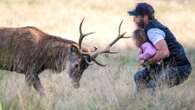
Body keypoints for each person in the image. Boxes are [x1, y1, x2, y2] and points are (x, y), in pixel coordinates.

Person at [128, 3, 192, 92]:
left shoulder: (152, 31)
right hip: (167, 66)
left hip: (179, 68)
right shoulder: (150, 27)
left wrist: (147, 62)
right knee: (139, 77)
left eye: (136, 16)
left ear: (145, 17)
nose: (134, 19)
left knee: (152, 87)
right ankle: (138, 102)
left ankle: (150, 104)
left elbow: (164, 52)